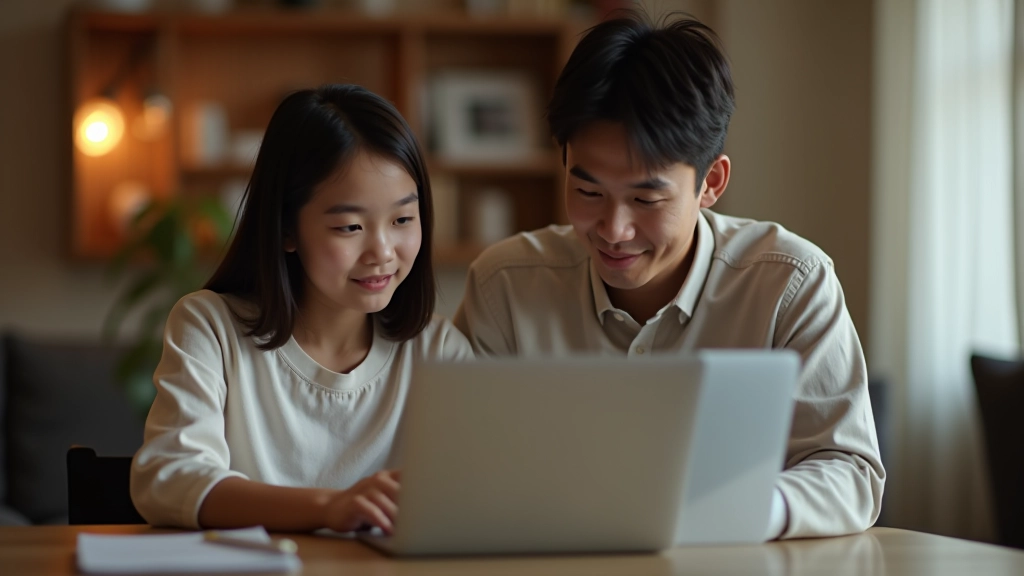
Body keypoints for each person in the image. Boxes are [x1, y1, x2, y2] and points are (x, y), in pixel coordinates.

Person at [454, 13, 884, 540]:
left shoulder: (790, 283)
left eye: (646, 198)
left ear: (712, 183)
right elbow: (460, 468)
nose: (613, 229)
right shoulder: (505, 286)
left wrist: (743, 509)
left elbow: (850, 470)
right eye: (588, 192)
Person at [131, 84, 472, 534]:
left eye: (403, 220)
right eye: (350, 226)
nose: (382, 251)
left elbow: (478, 495)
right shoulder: (211, 328)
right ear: (287, 229)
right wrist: (330, 507)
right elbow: (168, 480)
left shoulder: (439, 351)